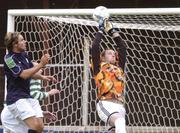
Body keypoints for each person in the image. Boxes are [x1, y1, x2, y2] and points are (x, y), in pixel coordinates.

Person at [2, 32, 56, 133]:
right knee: (35, 126)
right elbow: (24, 75)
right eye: (22, 40)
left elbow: (31, 72)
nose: (25, 41)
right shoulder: (9, 59)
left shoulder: (24, 55)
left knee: (40, 126)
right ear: (15, 44)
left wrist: (43, 77)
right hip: (16, 99)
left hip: (27, 97)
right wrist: (41, 64)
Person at [1, 62, 60, 133]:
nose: (41, 70)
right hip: (12, 117)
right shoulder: (32, 79)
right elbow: (35, 95)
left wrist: (41, 112)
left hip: (11, 114)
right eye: (37, 68)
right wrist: (49, 93)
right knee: (36, 128)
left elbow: (28, 101)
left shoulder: (26, 79)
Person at [92, 18, 127, 133]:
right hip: (106, 104)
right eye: (109, 53)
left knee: (115, 128)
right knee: (120, 122)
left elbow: (122, 47)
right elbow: (95, 47)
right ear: (102, 57)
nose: (113, 55)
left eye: (113, 53)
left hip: (120, 106)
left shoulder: (119, 68)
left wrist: (112, 31)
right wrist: (101, 30)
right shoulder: (98, 67)